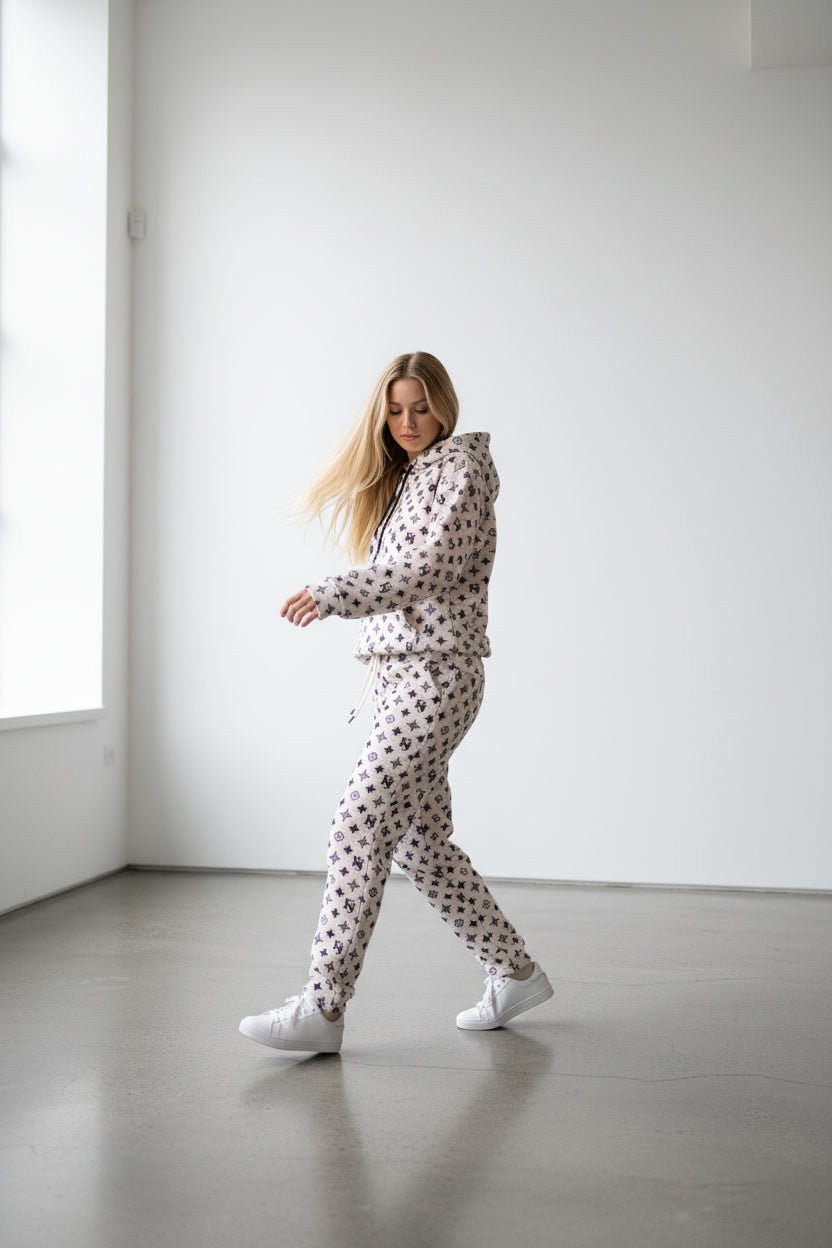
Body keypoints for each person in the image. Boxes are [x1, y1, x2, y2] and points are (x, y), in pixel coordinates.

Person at [239, 352, 552, 1053]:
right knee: (419, 842)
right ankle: (514, 970)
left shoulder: (461, 471)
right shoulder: (412, 477)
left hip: (435, 677)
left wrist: (331, 594)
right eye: (396, 409)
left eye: (421, 407)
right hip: (397, 679)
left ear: (445, 404)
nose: (409, 422)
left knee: (357, 824)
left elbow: (428, 568)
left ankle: (322, 1006)